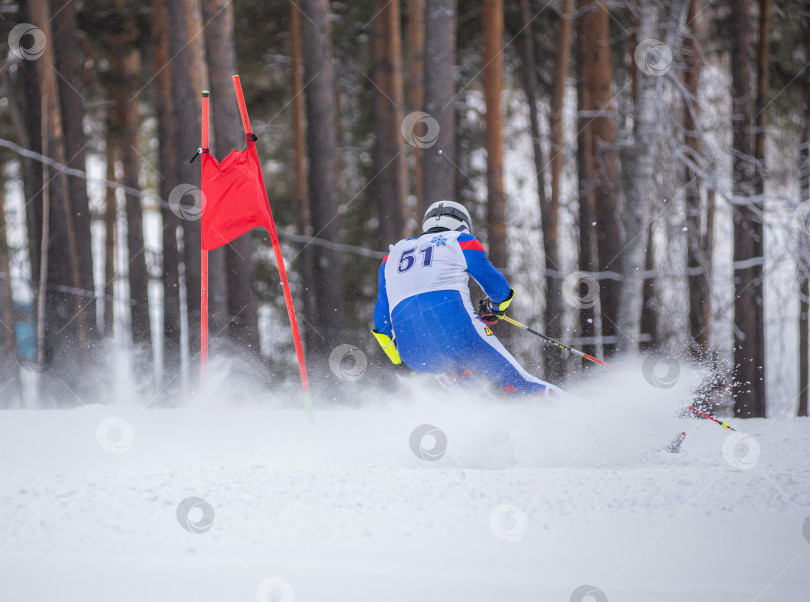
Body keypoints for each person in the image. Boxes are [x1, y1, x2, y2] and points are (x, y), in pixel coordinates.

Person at [372, 200, 561, 396]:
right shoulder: (460, 240)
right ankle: (571, 408)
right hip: (460, 335)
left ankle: (487, 411)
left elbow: (381, 324)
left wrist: (400, 360)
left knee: (473, 394)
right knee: (523, 385)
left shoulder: (390, 258)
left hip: (414, 352)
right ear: (462, 224)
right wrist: (494, 307)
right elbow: (499, 290)